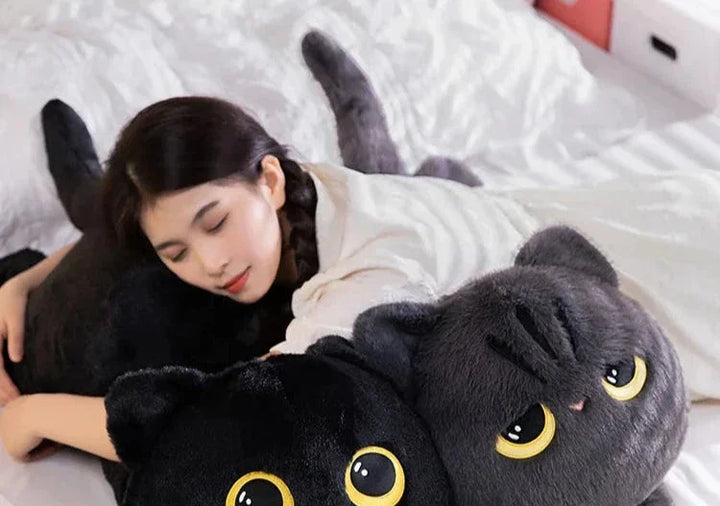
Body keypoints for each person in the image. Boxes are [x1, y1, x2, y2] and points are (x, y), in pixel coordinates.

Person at [2, 90, 720, 463]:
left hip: (664, 287)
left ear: (269, 180)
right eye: (176, 254)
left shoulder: (367, 278)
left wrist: (32, 414)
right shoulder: (306, 195)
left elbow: (217, 422)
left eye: (215, 223)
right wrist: (27, 281)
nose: (210, 263)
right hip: (614, 213)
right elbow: (140, 231)